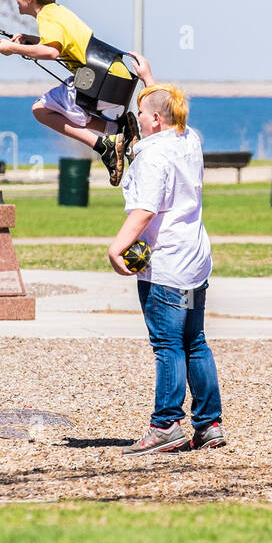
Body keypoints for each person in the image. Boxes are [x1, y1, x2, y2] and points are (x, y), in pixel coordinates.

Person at [109, 83, 225, 455]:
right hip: (194, 262)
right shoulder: (188, 139)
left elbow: (145, 210)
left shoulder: (152, 158)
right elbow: (169, 111)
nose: (136, 119)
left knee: (167, 344)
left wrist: (117, 248)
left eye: (142, 114)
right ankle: (208, 424)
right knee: (195, 341)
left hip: (167, 267)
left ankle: (165, 425)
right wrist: (148, 81)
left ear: (155, 120)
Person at [0, 0, 152, 185]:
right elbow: (61, 43)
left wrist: (12, 49)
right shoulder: (58, 11)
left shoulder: (46, 19)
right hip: (116, 78)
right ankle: (119, 128)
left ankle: (102, 145)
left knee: (41, 110)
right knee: (68, 110)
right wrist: (31, 40)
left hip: (99, 81)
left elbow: (51, 52)